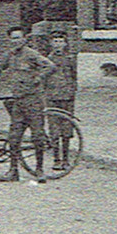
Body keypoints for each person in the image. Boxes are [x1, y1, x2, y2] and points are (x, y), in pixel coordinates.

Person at [0, 25, 56, 181]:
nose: (15, 41)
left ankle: (39, 170)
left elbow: (50, 66)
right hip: (18, 101)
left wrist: (38, 79)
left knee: (37, 136)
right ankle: (13, 171)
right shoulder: (9, 55)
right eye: (12, 38)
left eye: (18, 38)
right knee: (14, 137)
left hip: (33, 100)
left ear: (24, 39)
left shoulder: (32, 54)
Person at [43, 30, 78, 172]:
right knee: (54, 129)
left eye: (61, 41)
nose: (58, 44)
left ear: (65, 44)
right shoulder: (46, 59)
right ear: (51, 44)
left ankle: (66, 159)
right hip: (51, 96)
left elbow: (74, 76)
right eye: (55, 41)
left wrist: (72, 91)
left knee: (66, 129)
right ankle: (56, 159)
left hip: (67, 97)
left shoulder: (70, 59)